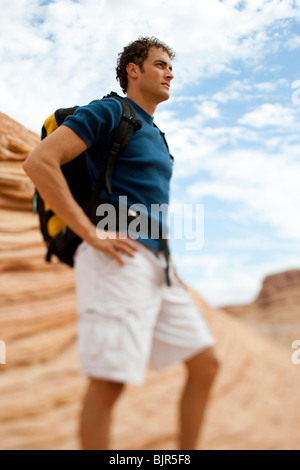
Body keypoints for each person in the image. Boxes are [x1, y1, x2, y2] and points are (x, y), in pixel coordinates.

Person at [23, 37, 220, 451]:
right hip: (117, 259)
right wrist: (88, 232)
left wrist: (170, 266)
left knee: (205, 364)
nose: (170, 73)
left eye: (171, 68)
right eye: (161, 64)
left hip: (158, 266)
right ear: (134, 69)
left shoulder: (157, 135)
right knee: (110, 382)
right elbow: (39, 162)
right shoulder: (112, 111)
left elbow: (152, 209)